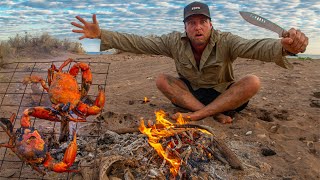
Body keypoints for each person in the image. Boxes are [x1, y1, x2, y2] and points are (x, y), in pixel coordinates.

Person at [71, 1, 308, 124]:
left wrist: (284, 47)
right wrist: (104, 35)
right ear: (185, 26)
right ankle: (210, 114)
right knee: (162, 80)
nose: (198, 26)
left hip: (224, 95)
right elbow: (139, 42)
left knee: (252, 82)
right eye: (192, 22)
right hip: (191, 95)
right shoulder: (173, 42)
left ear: (211, 24)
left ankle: (199, 115)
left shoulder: (227, 41)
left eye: (202, 21)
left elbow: (256, 47)